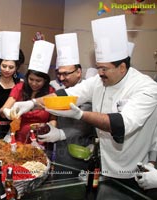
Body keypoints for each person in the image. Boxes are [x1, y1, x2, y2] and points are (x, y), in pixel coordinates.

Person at [10, 15, 157, 181]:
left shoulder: (146, 87)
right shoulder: (98, 81)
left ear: (122, 67)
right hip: (100, 163)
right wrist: (32, 103)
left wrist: (80, 115)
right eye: (98, 68)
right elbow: (65, 95)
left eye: (104, 69)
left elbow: (122, 124)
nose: (99, 73)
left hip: (130, 169)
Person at [37, 33, 96, 170]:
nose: (62, 78)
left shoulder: (89, 91)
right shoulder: (60, 89)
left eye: (66, 74)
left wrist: (61, 134)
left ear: (79, 72)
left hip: (80, 150)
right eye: (59, 73)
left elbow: (85, 121)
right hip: (59, 152)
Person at [1, 40, 57, 144]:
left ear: (45, 80)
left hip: (41, 138)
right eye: (31, 79)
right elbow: (3, 110)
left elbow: (53, 119)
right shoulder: (19, 88)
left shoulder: (51, 92)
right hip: (18, 138)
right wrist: (6, 112)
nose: (34, 83)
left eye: (38, 81)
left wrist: (47, 127)